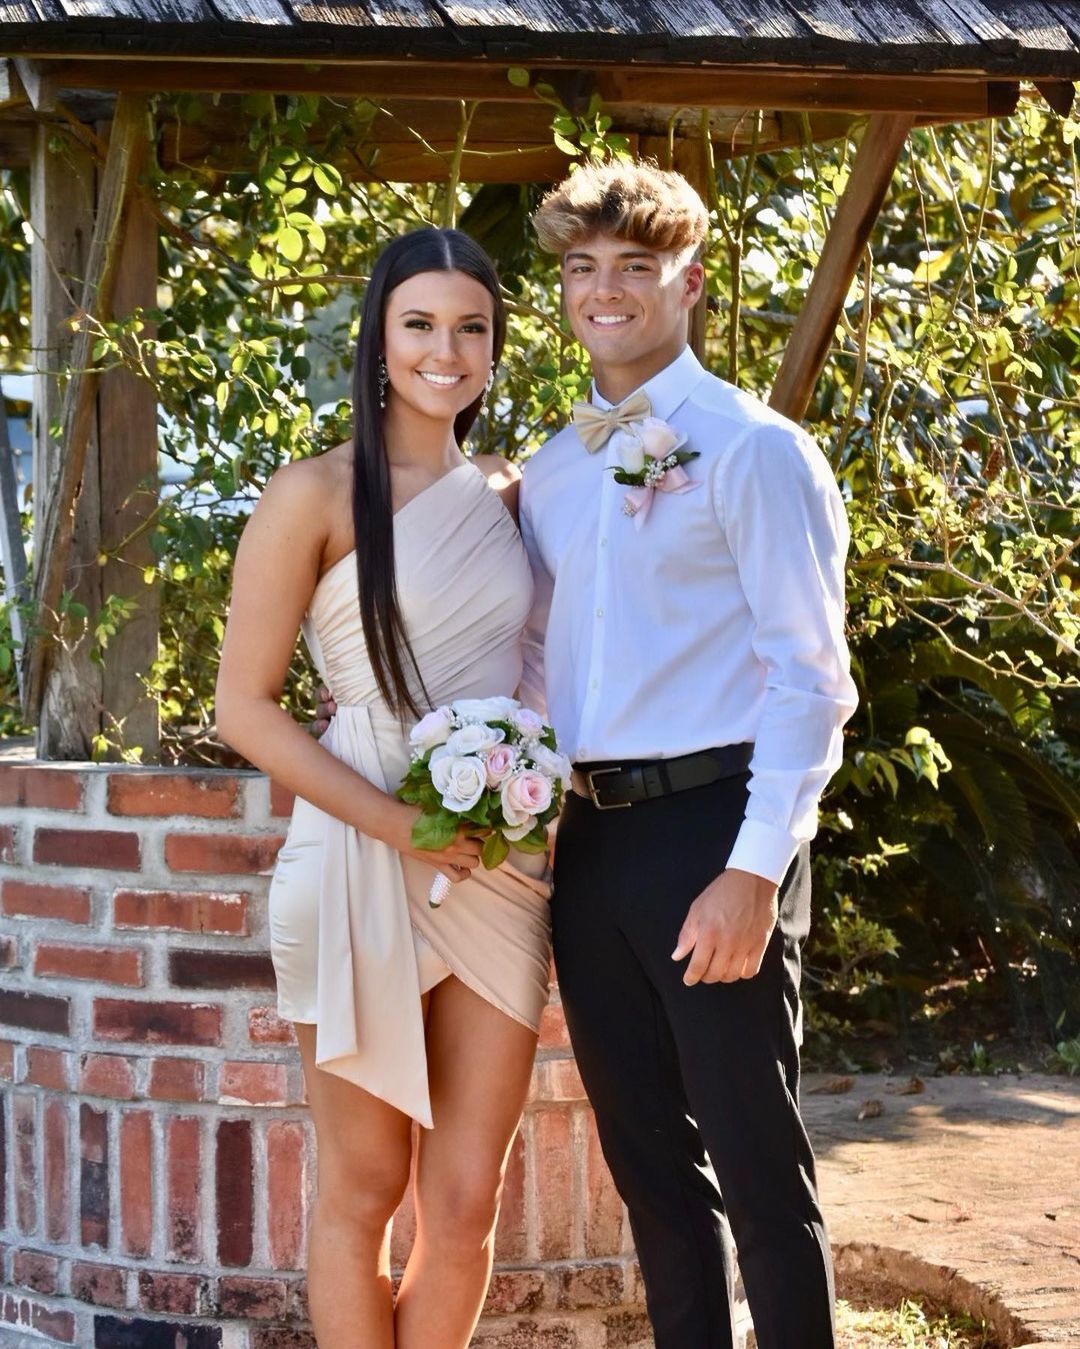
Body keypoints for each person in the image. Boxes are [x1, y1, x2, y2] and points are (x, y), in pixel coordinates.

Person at [519, 161, 858, 1348]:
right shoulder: (554, 468)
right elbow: (545, 660)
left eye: (634, 266)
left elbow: (812, 676)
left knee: (759, 1164)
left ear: (691, 281)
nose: (604, 290)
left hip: (717, 828)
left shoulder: (756, 449)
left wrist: (756, 867)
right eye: (582, 268)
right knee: (651, 1171)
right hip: (593, 845)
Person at [215, 227, 551, 1349]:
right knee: (362, 1186)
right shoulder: (311, 493)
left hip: (492, 866)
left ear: (494, 348)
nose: (445, 351)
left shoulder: (513, 492)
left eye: (471, 328)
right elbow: (243, 706)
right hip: (359, 848)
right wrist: (401, 821)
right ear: (379, 337)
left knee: (465, 1202)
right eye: (420, 324)